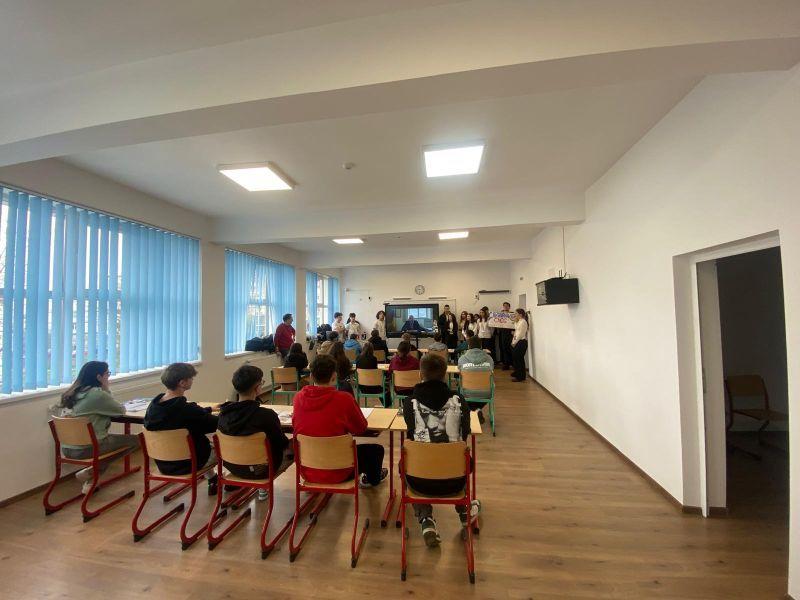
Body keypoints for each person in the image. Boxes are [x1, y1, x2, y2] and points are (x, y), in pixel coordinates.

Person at [402, 353, 479, 546]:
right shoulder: (459, 400)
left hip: (418, 481)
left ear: (421, 374)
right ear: (445, 374)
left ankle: (426, 519)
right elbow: (464, 435)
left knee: (410, 462)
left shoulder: (409, 403)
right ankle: (464, 511)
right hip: (455, 481)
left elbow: (411, 434)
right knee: (458, 458)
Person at [292, 355, 387, 488]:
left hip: (308, 470)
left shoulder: (298, 398)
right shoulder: (344, 399)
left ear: (311, 376)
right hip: (340, 471)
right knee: (376, 450)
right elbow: (360, 428)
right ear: (334, 376)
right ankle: (371, 480)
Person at [55, 361, 139, 493]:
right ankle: (91, 472)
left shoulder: (71, 393)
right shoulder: (97, 394)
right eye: (107, 374)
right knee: (137, 440)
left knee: (106, 445)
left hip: (67, 448)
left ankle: (90, 481)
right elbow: (120, 410)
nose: (108, 377)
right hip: (88, 448)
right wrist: (106, 389)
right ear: (99, 377)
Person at [217, 365, 292, 500]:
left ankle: (243, 484)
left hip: (233, 468)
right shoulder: (266, 415)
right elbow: (281, 443)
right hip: (262, 470)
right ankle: (263, 487)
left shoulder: (223, 415)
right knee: (292, 447)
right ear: (257, 388)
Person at [143, 363, 219, 493]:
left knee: (195, 441)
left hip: (164, 463)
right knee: (223, 445)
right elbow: (216, 424)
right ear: (182, 383)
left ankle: (213, 479)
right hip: (189, 463)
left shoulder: (153, 407)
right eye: (191, 378)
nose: (192, 380)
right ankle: (231, 482)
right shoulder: (187, 410)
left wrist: (206, 410)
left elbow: (191, 415)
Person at [458, 335, 495, 418]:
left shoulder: (462, 359)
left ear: (468, 346)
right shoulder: (489, 359)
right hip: (486, 393)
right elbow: (492, 370)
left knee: (461, 390)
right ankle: (477, 410)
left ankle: (472, 411)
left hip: (467, 392)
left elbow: (459, 371)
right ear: (481, 346)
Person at [511, 308, 529, 382]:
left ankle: (520, 377)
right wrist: (513, 341)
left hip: (521, 342)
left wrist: (514, 342)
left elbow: (520, 334)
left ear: (520, 315)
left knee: (519, 360)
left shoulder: (523, 322)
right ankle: (517, 373)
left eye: (516, 313)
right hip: (517, 341)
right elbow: (516, 331)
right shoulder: (519, 321)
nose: (514, 315)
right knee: (516, 359)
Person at [495, 301, 514, 370]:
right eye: (504, 306)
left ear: (509, 307)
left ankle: (512, 363)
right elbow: (497, 323)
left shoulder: (512, 314)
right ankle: (506, 364)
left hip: (510, 333)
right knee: (504, 348)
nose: (505, 307)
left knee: (510, 348)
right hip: (502, 333)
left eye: (507, 306)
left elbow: (514, 323)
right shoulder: (500, 314)